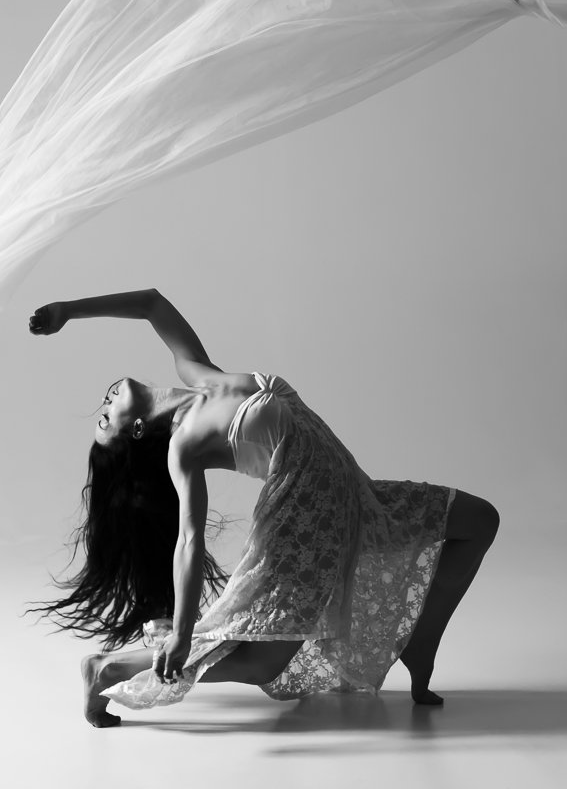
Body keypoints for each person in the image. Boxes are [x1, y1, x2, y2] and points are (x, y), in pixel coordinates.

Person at [28, 288, 500, 727]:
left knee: (479, 521)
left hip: (354, 497)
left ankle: (421, 640)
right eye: (104, 419)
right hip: (305, 522)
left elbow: (152, 304)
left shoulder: (199, 374)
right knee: (263, 662)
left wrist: (67, 311)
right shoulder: (183, 447)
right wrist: (183, 631)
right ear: (134, 431)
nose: (104, 403)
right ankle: (108, 668)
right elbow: (189, 538)